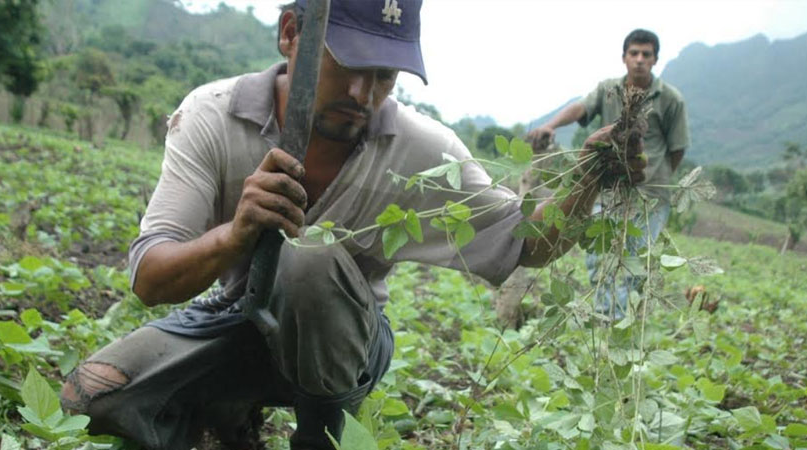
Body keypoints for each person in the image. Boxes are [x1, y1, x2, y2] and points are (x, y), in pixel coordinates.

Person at [60, 2, 645, 449]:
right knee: (91, 398)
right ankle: (229, 415)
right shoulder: (214, 115)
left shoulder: (422, 150)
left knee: (308, 258)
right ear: (291, 33)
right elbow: (149, 278)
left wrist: (590, 176)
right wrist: (235, 234)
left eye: (385, 75)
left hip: (346, 344)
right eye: (347, 66)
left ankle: (323, 436)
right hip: (236, 318)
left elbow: (529, 243)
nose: (364, 94)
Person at [528, 29, 690, 320]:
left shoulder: (670, 99)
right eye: (634, 53)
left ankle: (625, 323)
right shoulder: (608, 90)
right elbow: (581, 107)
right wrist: (551, 125)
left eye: (646, 54)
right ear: (624, 57)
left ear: (655, 60)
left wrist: (656, 176)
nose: (639, 60)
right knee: (598, 254)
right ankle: (605, 319)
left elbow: (677, 149)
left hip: (649, 195)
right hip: (608, 189)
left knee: (635, 262)